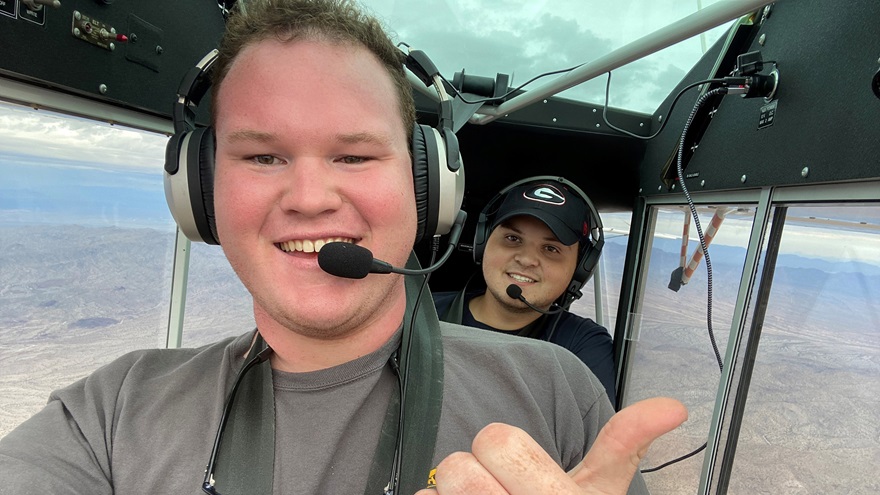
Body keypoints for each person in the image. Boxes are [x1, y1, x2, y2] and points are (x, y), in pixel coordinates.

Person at [0, 1, 685, 494]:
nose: (309, 196)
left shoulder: (555, 392)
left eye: (355, 156)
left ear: (428, 186)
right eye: (263, 156)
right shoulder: (111, 412)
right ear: (201, 191)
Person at [434, 176, 618, 402]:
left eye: (551, 249)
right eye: (512, 238)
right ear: (482, 243)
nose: (527, 259)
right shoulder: (420, 311)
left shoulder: (582, 345)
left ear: (580, 269)